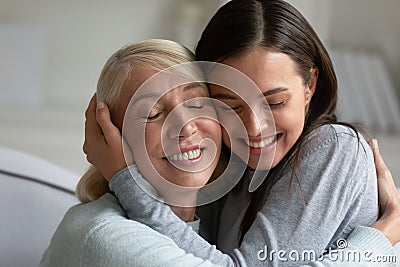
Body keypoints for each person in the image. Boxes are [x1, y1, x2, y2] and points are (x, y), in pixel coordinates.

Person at [84, 0, 400, 266]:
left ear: (310, 86)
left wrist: (125, 178)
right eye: (230, 105)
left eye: (274, 102)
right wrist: (382, 236)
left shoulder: (333, 148)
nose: (253, 128)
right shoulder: (235, 170)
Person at [40, 39, 226, 267]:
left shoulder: (218, 222)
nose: (186, 127)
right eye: (153, 113)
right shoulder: (106, 236)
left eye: (196, 104)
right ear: (109, 136)